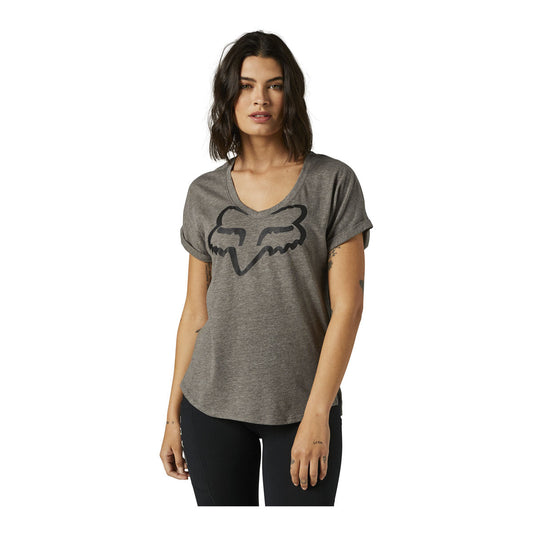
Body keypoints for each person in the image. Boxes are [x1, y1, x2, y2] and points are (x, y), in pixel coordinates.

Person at [160, 30, 373, 506]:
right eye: (247, 85)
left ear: (291, 94)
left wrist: (318, 413)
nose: (261, 99)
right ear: (229, 97)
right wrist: (172, 415)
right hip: (209, 406)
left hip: (302, 406)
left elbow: (349, 308)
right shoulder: (203, 193)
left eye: (274, 85)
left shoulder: (332, 182)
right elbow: (195, 312)